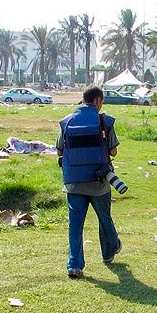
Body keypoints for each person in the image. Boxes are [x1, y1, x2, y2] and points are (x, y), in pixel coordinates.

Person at [56, 86, 122, 279]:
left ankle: (74, 266)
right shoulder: (104, 121)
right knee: (104, 218)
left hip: (74, 182)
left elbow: (60, 151)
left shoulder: (67, 122)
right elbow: (113, 152)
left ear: (84, 99)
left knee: (75, 225)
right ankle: (110, 251)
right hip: (99, 181)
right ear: (98, 100)